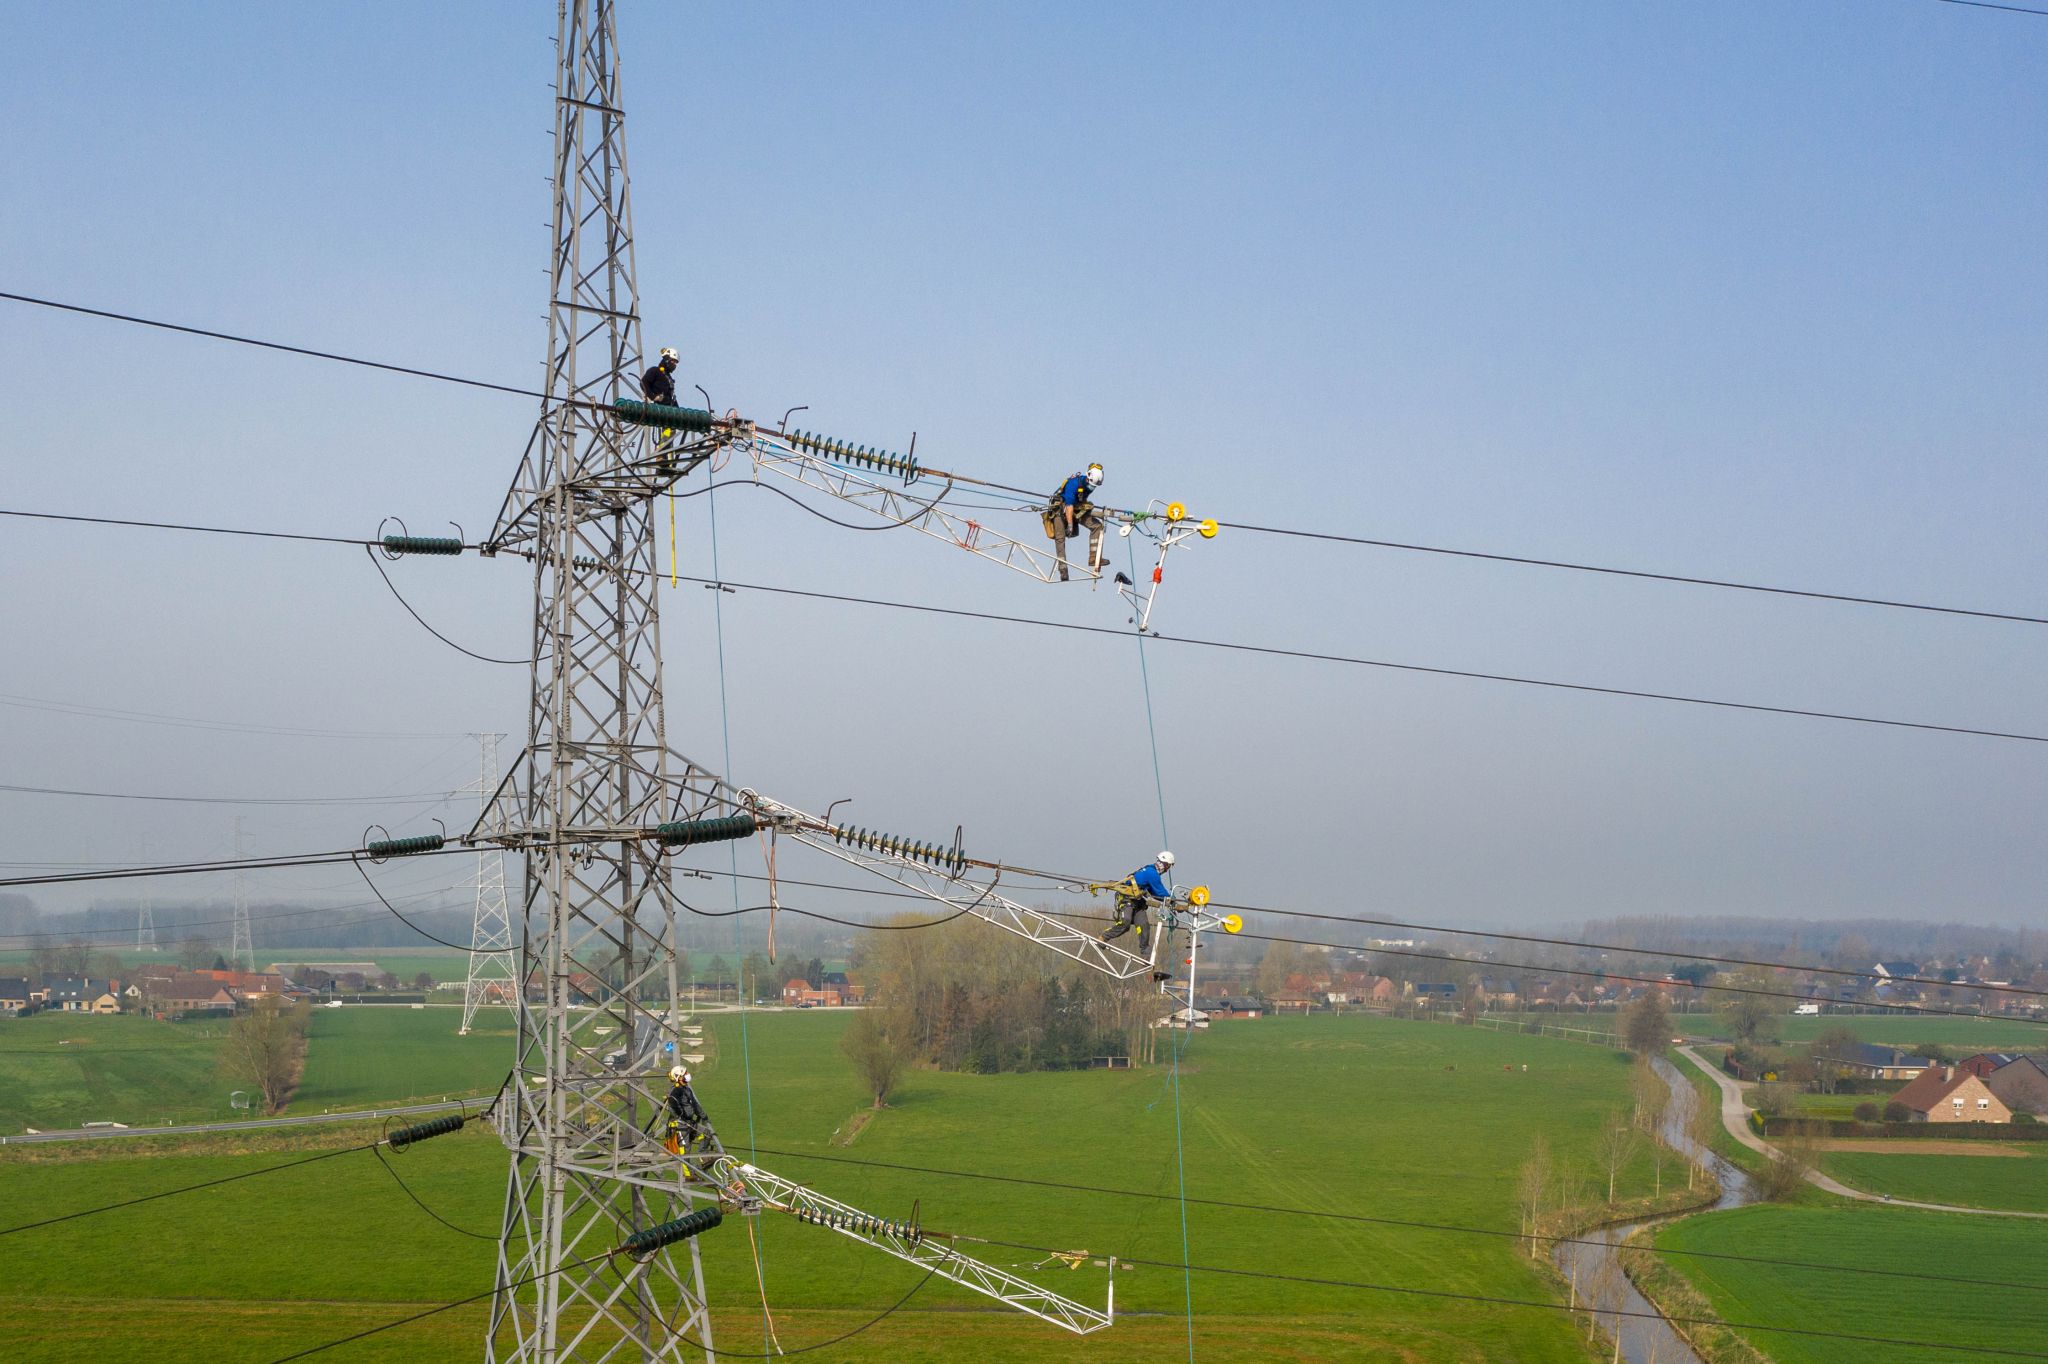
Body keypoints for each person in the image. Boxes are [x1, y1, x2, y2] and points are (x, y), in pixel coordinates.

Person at [1102, 850, 1176, 979]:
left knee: (1144, 926)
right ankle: (1103, 937)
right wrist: (1173, 900)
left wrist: (1169, 901)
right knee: (1125, 924)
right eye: (1168, 867)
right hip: (1126, 900)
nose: (1167, 870)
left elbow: (1155, 893)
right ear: (1165, 864)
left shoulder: (1150, 871)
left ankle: (1146, 957)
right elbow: (1160, 893)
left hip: (1137, 903)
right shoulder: (1151, 873)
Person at [1046, 463, 1106, 582]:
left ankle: (1094, 558)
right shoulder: (1073, 484)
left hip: (1076, 509)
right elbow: (1069, 507)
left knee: (1097, 526)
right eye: (1091, 484)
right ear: (1087, 477)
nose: (1092, 487)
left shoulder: (1090, 484)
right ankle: (1063, 570)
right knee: (1060, 537)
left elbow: (1077, 504)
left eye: (1094, 486)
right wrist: (1070, 525)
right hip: (1060, 509)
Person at [661, 1063, 709, 1157]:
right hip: (679, 1125)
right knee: (685, 1150)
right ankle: (688, 1172)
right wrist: (683, 1116)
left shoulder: (686, 1089)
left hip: (688, 1122)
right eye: (685, 1074)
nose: (687, 1075)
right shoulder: (675, 1091)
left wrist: (704, 1116)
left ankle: (703, 1157)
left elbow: (695, 1105)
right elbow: (673, 1106)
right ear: (678, 1077)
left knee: (706, 1133)